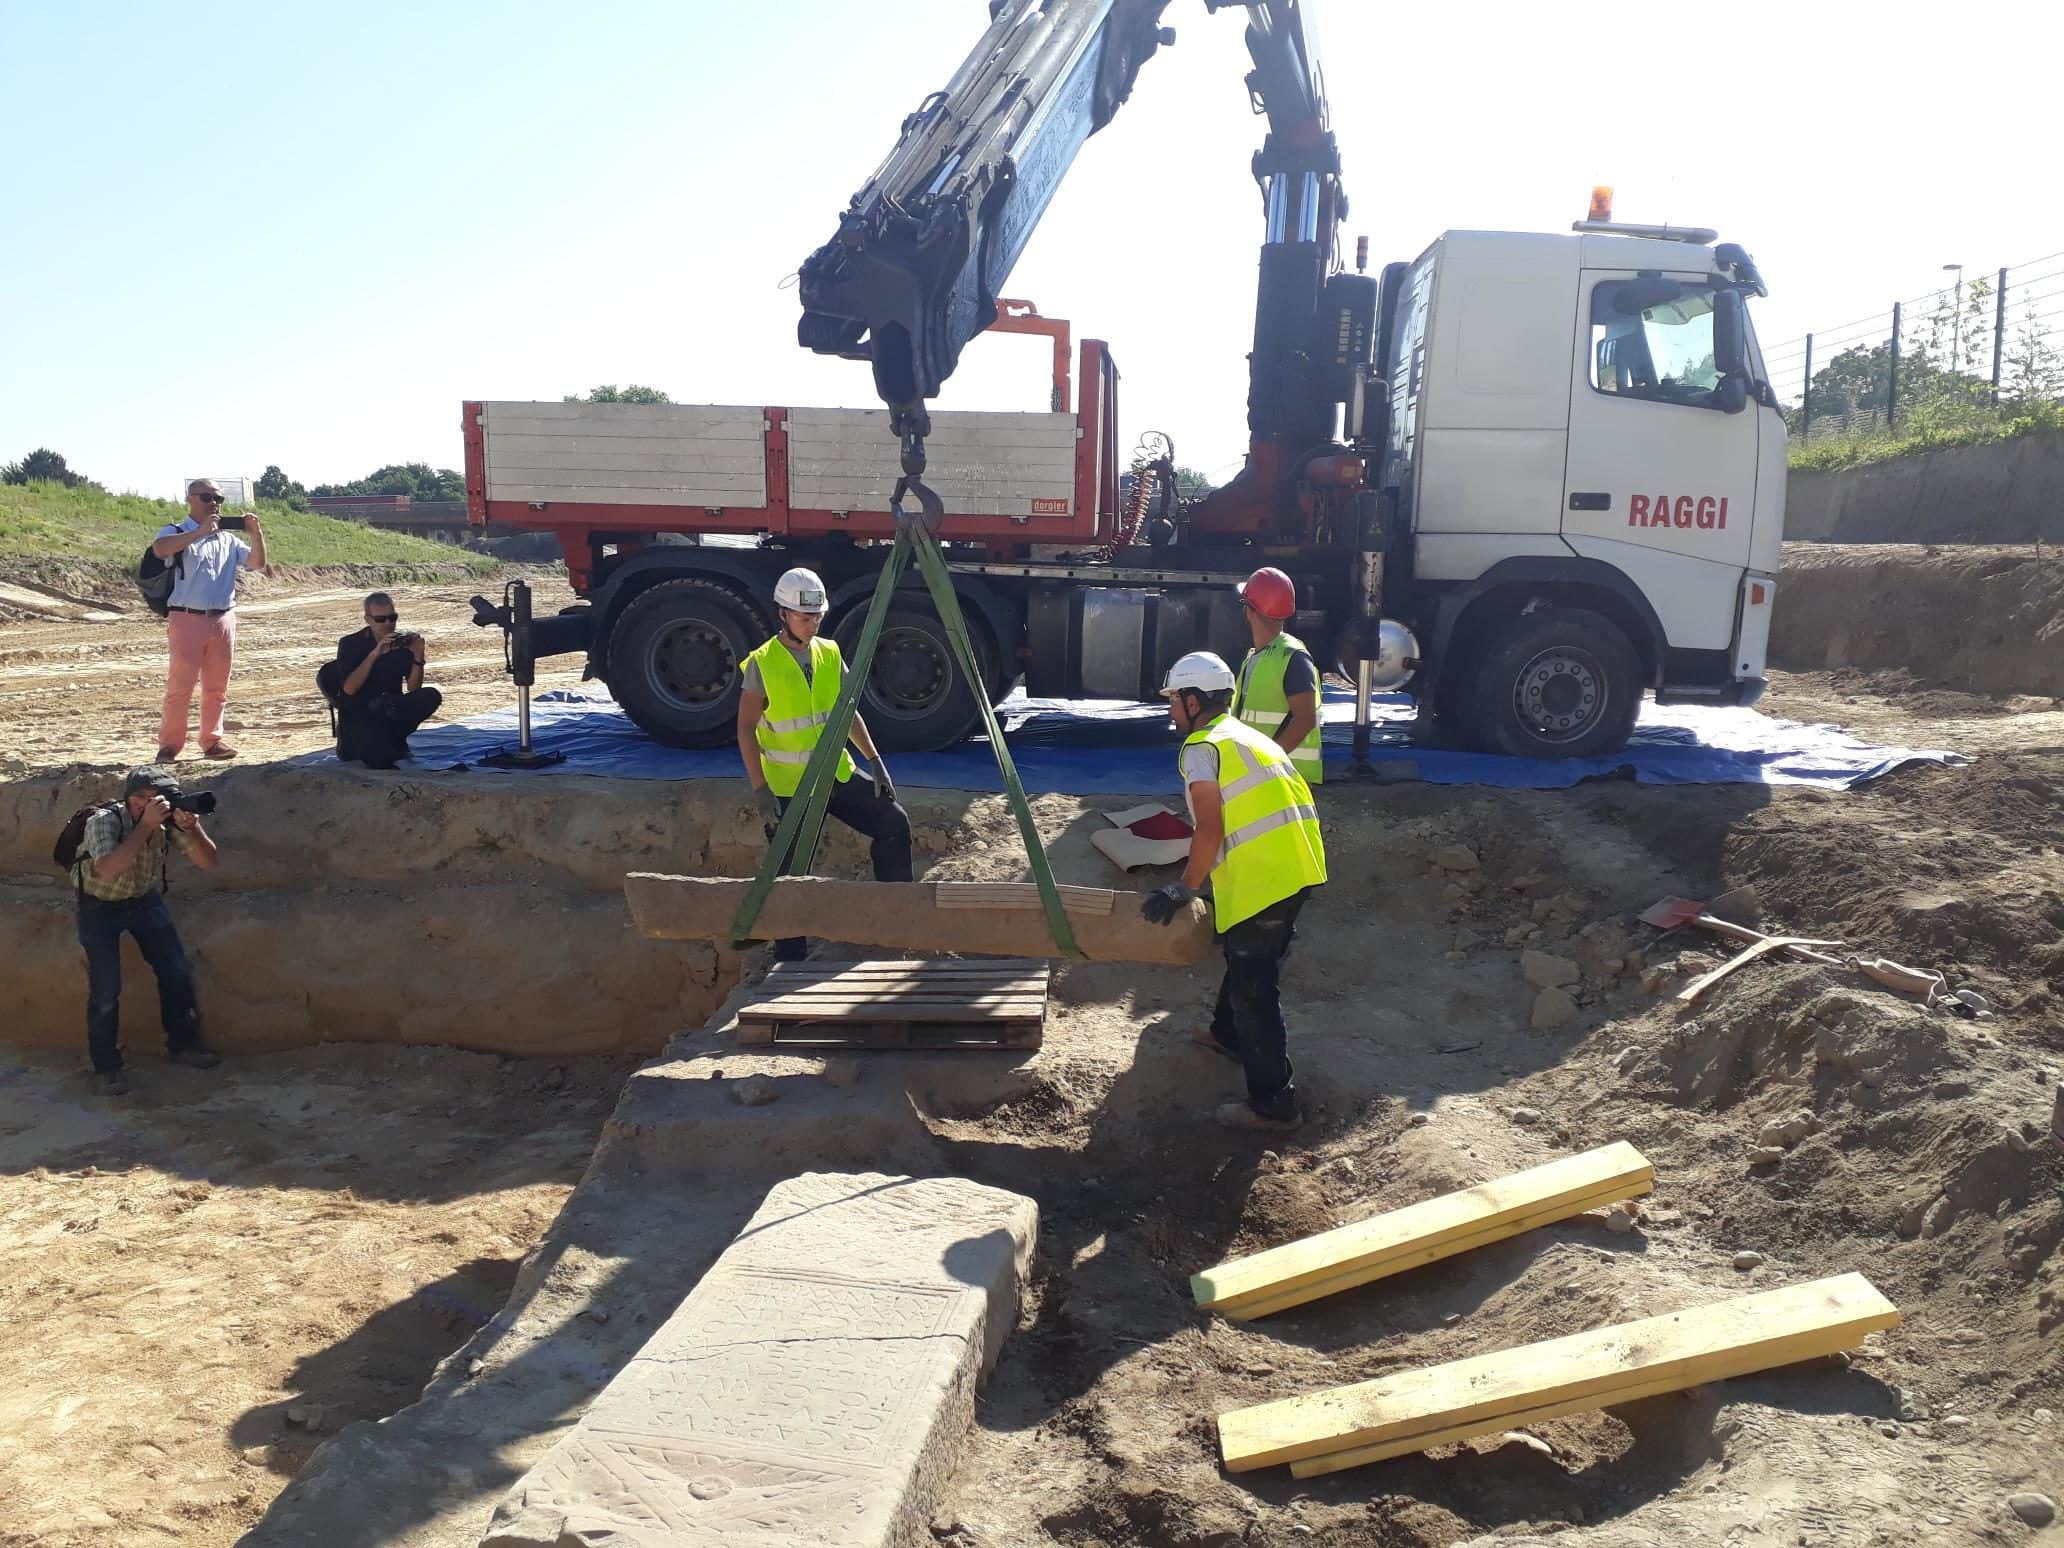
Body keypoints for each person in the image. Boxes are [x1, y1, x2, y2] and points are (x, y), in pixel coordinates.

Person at [1141, 651, 1326, 1130]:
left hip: (1266, 876)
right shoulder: (1246, 736)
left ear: (1194, 699)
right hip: (1297, 867)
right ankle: (1227, 1034)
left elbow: (1209, 828)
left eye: (1174, 700)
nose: (1170, 710)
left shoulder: (1202, 748)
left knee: (1254, 987)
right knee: (1248, 958)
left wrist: (1185, 888)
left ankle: (1273, 1104)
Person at [736, 566, 912, 961]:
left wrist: (875, 760)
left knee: (893, 822)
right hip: (790, 787)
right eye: (804, 616)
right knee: (788, 875)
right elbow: (746, 731)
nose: (813, 623)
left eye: (817, 615)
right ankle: (790, 962)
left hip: (836, 776)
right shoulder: (762, 665)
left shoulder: (829, 654)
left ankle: (897, 930)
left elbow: (846, 711)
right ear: (782, 613)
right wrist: (761, 790)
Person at [72, 766, 224, 1095]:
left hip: (142, 900)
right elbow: (108, 870)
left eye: (155, 798)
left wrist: (193, 829)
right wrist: (145, 828)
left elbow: (209, 863)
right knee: (106, 989)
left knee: (175, 972)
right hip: (99, 905)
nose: (147, 803)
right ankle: (106, 1067)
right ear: (128, 798)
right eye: (140, 797)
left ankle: (183, 1045)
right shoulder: (105, 821)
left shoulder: (165, 821)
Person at [153, 478, 268, 761]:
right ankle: (169, 745)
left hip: (222, 619)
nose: (214, 503)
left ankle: (211, 741)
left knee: (217, 688)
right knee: (180, 687)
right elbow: (160, 549)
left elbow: (256, 563)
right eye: (206, 497)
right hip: (187, 618)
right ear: (190, 499)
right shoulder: (176, 531)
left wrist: (256, 534)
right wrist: (200, 533)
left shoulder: (228, 539)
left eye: (218, 499)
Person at [1233, 566, 1323, 785]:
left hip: (1284, 779)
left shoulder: (1292, 656)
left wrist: (1267, 767)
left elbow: (1305, 720)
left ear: (1249, 611)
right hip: (1266, 776)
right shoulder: (1260, 657)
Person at [330, 592, 443, 769]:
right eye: (381, 619)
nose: (388, 624)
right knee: (380, 762)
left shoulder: (400, 643)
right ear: (368, 619)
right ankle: (384, 744)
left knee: (430, 695)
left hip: (390, 710)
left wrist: (418, 656)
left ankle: (394, 739)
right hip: (360, 714)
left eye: (392, 618)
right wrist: (375, 654)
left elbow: (414, 688)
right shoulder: (351, 643)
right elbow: (349, 689)